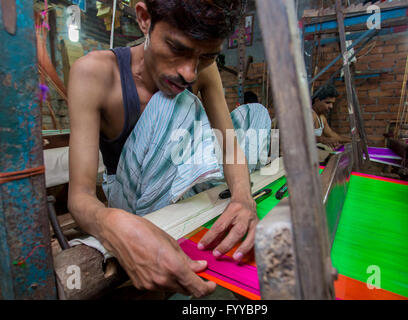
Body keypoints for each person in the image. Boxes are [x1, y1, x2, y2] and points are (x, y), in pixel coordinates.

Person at [67, 0, 271, 298]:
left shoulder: (203, 68)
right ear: (144, 19)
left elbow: (229, 145)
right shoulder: (94, 74)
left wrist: (243, 198)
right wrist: (112, 224)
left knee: (255, 115)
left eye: (206, 56)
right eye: (178, 49)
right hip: (131, 205)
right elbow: (80, 197)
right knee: (171, 104)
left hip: (177, 187)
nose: (189, 73)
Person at [312, 84, 351, 149]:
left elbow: (332, 135)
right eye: (328, 103)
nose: (331, 106)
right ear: (317, 100)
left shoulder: (322, 117)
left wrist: (352, 140)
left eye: (332, 103)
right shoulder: (309, 115)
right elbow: (302, 137)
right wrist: (323, 140)